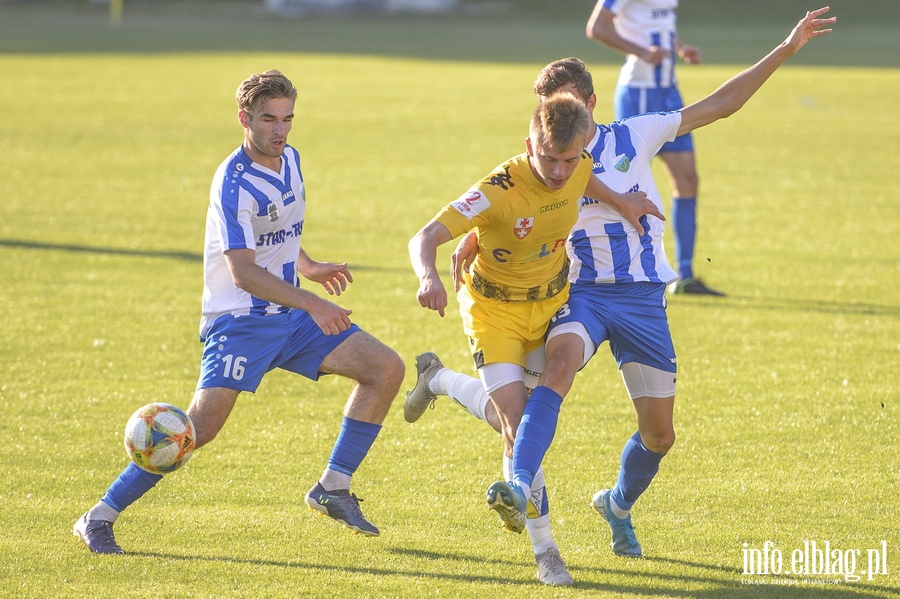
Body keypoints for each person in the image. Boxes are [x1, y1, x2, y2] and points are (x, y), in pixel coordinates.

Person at [407, 6, 835, 568]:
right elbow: (508, 205)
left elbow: (719, 105)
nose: (552, 124)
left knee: (660, 436)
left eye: (563, 108)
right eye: (544, 112)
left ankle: (616, 503)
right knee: (551, 377)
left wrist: (784, 49)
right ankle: (517, 486)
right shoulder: (549, 161)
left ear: (588, 105)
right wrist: (472, 241)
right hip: (578, 296)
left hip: (643, 300)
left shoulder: (634, 135)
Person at [73, 69, 404, 554]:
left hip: (289, 315)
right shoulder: (232, 184)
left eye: (288, 118)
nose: (281, 130)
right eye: (269, 119)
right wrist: (313, 302)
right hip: (241, 323)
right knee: (191, 433)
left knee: (385, 368)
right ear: (244, 118)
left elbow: (282, 230)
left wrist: (307, 267)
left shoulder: (289, 160)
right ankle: (98, 517)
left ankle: (332, 487)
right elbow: (244, 272)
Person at [408, 94, 659, 586]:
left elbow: (588, 177)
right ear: (530, 145)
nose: (562, 172)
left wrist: (624, 201)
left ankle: (437, 379)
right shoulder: (498, 188)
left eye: (570, 159)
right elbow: (424, 236)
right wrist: (428, 278)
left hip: (549, 307)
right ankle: (547, 552)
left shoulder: (579, 163)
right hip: (493, 313)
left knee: (517, 422)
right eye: (550, 159)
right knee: (518, 422)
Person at [586, 0, 723, 296]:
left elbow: (656, 26)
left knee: (688, 181)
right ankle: (623, 271)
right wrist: (642, 53)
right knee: (626, 182)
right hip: (639, 92)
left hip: (668, 90)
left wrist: (680, 46)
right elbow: (596, 28)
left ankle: (685, 276)